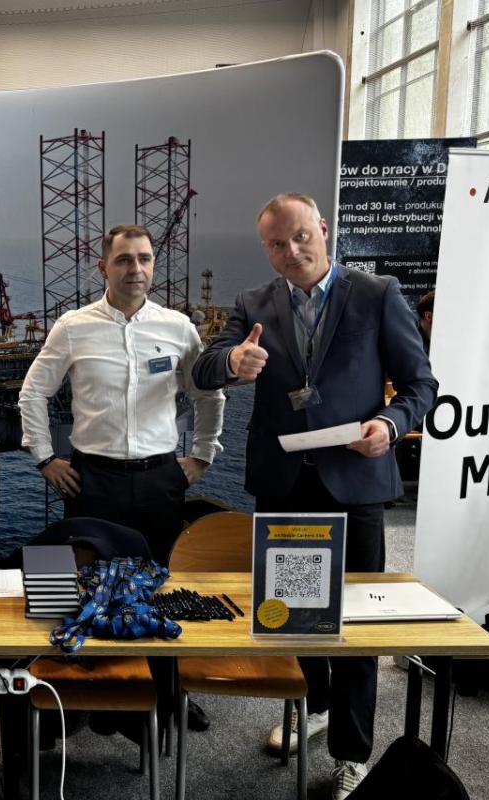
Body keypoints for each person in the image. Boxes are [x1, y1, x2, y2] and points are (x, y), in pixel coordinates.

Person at [192, 193, 437, 800]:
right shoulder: (253, 303)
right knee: (293, 617)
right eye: (277, 244)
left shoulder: (377, 293)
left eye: (301, 236)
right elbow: (204, 368)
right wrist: (233, 362)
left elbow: (420, 384)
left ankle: (352, 753)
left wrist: (391, 424)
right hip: (285, 484)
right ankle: (315, 707)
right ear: (266, 248)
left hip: (355, 482)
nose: (292, 251)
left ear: (323, 229)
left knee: (355, 622)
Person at [18, 223, 225, 563]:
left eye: (144, 259)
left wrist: (203, 454)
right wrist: (44, 458)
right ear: (104, 268)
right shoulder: (73, 327)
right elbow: (33, 393)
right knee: (89, 578)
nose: (136, 269)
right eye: (124, 260)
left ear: (153, 264)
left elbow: (209, 393)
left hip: (160, 478)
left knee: (161, 575)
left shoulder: (178, 327)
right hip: (93, 481)